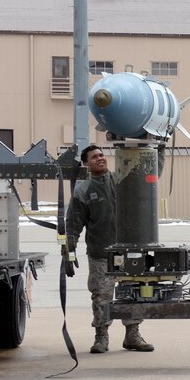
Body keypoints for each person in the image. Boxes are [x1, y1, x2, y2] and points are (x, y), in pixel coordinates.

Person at [67, 145, 154, 354]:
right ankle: (101, 337)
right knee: (101, 296)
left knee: (132, 294)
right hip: (101, 254)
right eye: (94, 157)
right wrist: (68, 253)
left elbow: (150, 177)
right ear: (86, 163)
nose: (100, 159)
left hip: (129, 252)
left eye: (102, 155)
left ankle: (132, 335)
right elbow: (73, 225)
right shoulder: (83, 190)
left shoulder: (122, 180)